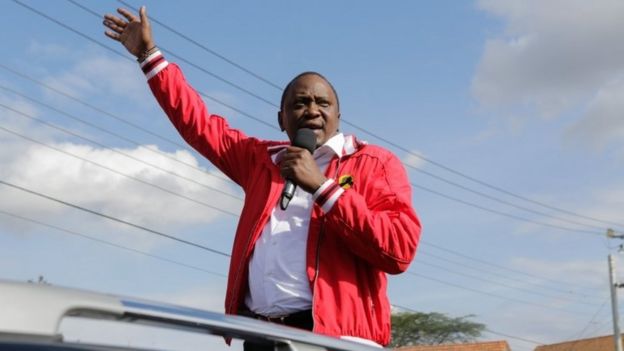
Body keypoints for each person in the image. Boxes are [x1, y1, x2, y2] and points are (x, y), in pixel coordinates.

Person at [103, 6, 421, 349]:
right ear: (281, 119)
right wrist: (149, 55)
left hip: (337, 340)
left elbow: (398, 251)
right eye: (300, 103)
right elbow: (198, 124)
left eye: (322, 103)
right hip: (262, 337)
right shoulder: (260, 161)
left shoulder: (374, 163)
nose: (312, 110)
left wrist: (323, 188)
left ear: (338, 116)